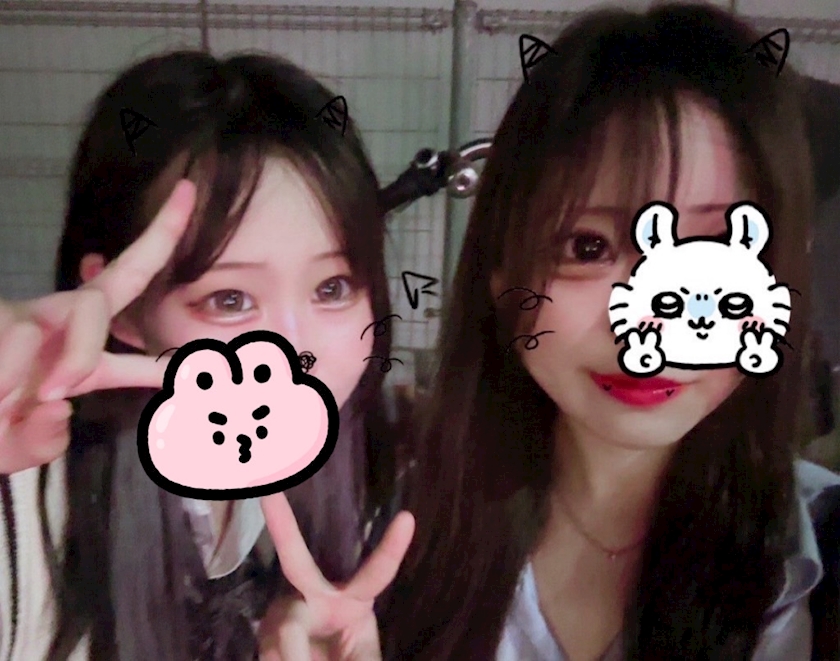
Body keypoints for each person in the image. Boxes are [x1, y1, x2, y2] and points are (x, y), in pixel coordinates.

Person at [373, 4, 840, 660]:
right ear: (501, 274)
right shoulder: (393, 532)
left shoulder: (816, 550)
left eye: (714, 251)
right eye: (588, 246)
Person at [0, 50, 413, 661]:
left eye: (333, 288)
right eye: (230, 300)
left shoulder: (367, 467)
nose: (296, 352)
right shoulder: (27, 508)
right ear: (124, 311)